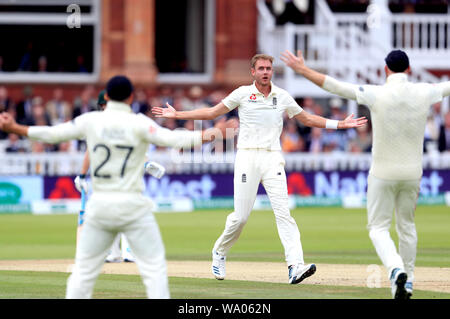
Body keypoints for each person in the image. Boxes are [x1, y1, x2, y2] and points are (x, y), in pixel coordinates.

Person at [0, 75, 237, 299]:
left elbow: (52, 134)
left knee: (82, 273)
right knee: (154, 269)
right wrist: (214, 133)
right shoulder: (139, 123)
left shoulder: (90, 120)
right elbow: (176, 139)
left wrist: (15, 129)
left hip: (100, 206)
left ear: (107, 98)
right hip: (132, 206)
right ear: (131, 97)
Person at [152, 53, 367, 284]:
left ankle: (295, 266)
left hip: (273, 158)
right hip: (247, 157)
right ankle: (220, 251)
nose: (266, 72)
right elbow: (213, 112)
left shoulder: (281, 95)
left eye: (269, 68)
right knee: (240, 218)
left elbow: (306, 118)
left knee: (284, 213)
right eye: (261, 68)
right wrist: (178, 114)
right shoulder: (243, 93)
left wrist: (340, 124)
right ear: (253, 72)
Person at [281, 48, 450, 299]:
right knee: (407, 226)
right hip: (413, 173)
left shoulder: (376, 92)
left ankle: (395, 269)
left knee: (378, 228)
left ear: (385, 70)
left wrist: (303, 70)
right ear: (410, 70)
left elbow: (336, 87)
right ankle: (409, 281)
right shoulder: (425, 91)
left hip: (382, 172)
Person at [73, 90, 166, 264]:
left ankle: (127, 251)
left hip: (123, 174)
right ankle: (115, 252)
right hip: (108, 175)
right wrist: (82, 175)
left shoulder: (123, 121)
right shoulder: (99, 123)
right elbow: (90, 150)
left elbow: (135, 147)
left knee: (125, 209)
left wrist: (147, 163)